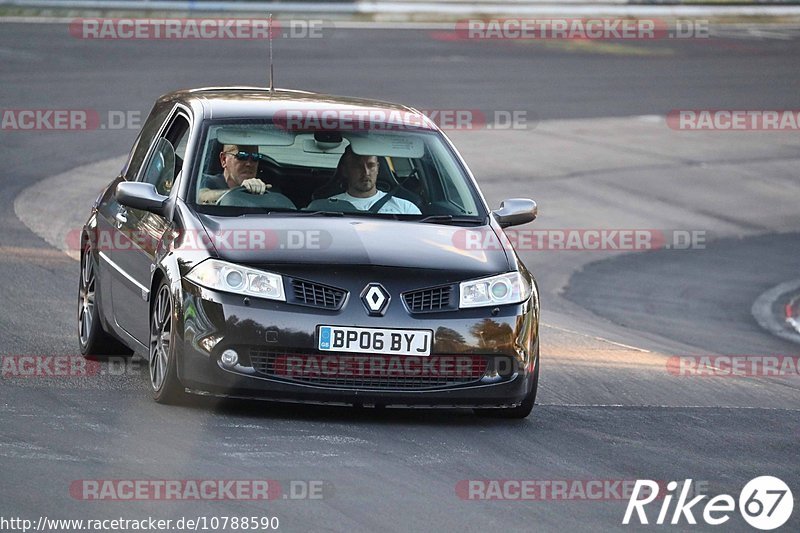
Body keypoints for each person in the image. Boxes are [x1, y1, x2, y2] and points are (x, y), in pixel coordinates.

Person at [329, 146, 421, 214]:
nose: (366, 172)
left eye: (371, 166)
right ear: (345, 171)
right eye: (358, 166)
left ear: (378, 168)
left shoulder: (406, 209)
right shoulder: (327, 208)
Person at [198, 144, 271, 204]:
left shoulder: (266, 186)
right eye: (242, 156)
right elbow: (202, 197)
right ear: (224, 160)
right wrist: (240, 192)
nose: (249, 164)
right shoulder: (207, 182)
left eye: (255, 157)